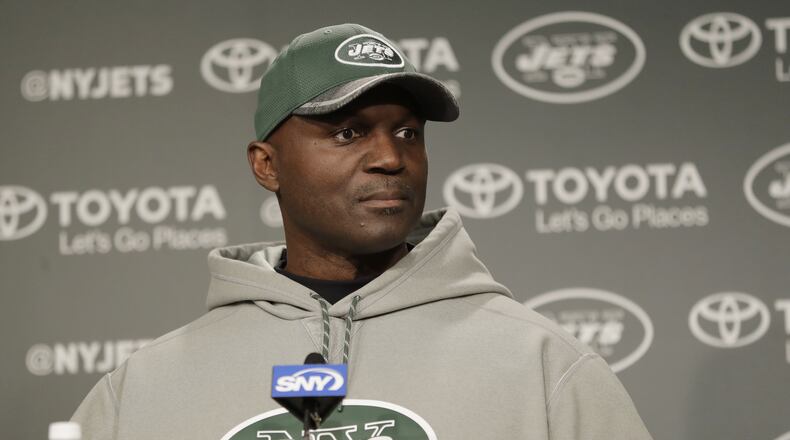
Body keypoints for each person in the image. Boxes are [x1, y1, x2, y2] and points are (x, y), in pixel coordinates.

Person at [72, 23, 653, 439]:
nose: (391, 159)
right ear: (266, 165)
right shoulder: (141, 391)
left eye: (407, 133)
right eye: (348, 132)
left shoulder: (545, 365)